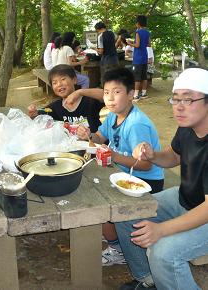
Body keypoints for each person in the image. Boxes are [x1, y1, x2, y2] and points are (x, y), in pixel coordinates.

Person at [115, 68, 208, 290]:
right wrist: (153, 155)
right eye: (175, 99)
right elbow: (174, 156)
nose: (179, 106)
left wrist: (162, 230)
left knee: (163, 251)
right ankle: (149, 280)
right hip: (184, 198)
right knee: (126, 213)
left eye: (188, 99)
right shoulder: (188, 126)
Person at [75, 68, 164, 267]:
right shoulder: (114, 116)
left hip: (145, 181)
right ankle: (114, 237)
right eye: (106, 92)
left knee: (97, 205)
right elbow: (99, 137)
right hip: (123, 172)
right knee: (86, 186)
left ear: (131, 94)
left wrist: (114, 156)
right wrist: (87, 135)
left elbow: (146, 165)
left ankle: (118, 249)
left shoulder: (135, 125)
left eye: (117, 92)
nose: (110, 98)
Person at [27, 64, 103, 132]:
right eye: (54, 83)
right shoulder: (55, 107)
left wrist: (80, 92)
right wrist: (33, 114)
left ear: (74, 80)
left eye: (63, 79)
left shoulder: (89, 101)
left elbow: (107, 94)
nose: (59, 84)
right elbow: (38, 118)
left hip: (95, 144)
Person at [126, 15, 151, 100]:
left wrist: (129, 43)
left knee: (137, 76)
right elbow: (149, 44)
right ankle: (144, 93)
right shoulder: (147, 32)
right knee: (144, 76)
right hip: (145, 55)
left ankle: (136, 94)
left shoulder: (138, 32)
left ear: (138, 23)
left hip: (138, 57)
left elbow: (137, 45)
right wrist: (136, 42)